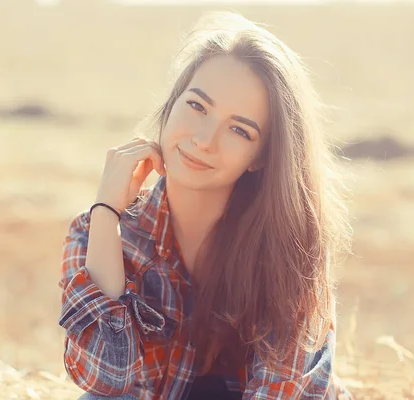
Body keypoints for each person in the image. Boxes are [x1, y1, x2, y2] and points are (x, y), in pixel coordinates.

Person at [58, 10, 353, 400]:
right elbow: (106, 382)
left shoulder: (292, 247)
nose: (203, 139)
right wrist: (106, 212)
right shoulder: (99, 231)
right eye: (197, 106)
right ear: (171, 104)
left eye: (238, 129)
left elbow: (280, 392)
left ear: (262, 157)